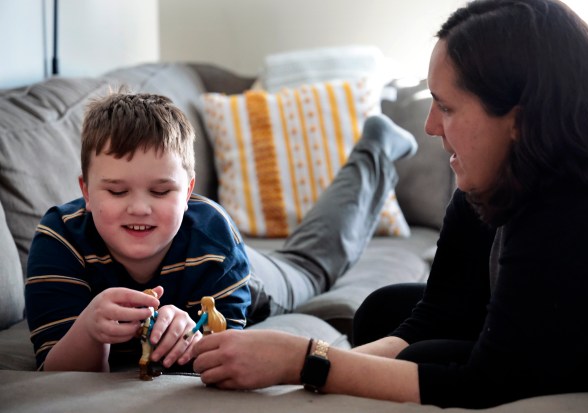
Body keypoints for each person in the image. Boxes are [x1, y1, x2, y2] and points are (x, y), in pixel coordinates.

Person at [190, 0, 588, 408]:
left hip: (585, 353)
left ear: (519, 120)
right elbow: (436, 313)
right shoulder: (494, 176)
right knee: (384, 312)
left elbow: (489, 385)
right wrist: (320, 358)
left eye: (447, 107)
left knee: (426, 352)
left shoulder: (575, 208)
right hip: (531, 322)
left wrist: (303, 360)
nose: (431, 126)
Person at [24, 92, 417, 373]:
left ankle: (375, 150)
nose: (139, 207)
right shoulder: (60, 240)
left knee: (310, 265)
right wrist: (91, 330)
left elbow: (227, 352)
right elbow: (57, 369)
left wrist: (193, 338)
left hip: (252, 278)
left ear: (188, 191)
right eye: (116, 190)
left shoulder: (210, 232)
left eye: (161, 191)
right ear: (85, 191)